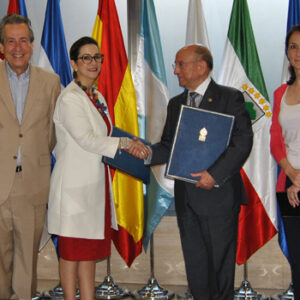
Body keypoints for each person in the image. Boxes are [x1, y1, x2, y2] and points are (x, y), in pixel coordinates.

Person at [132, 45, 253, 300]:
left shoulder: (230, 98)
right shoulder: (176, 104)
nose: (175, 71)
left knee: (220, 269)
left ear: (201, 67)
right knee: (196, 269)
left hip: (218, 199)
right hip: (188, 200)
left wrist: (214, 174)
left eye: (180, 64)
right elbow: (168, 145)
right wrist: (147, 153)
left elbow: (242, 142)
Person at [47, 36, 148, 300]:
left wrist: (132, 143)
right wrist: (126, 143)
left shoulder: (95, 95)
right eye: (86, 58)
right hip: (74, 190)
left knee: (88, 254)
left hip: (94, 188)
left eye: (97, 57)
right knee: (71, 253)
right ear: (73, 63)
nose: (93, 63)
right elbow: (87, 140)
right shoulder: (70, 98)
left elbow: (107, 133)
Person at [0, 14, 61, 299]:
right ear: (2, 46)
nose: (17, 47)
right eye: (10, 41)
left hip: (32, 185)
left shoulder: (51, 83)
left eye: (23, 40)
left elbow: (53, 133)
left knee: (27, 264)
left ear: (32, 44)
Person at [270, 24, 300, 300]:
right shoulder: (280, 93)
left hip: (298, 185)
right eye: (293, 46)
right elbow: (275, 139)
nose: (298, 52)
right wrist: (291, 174)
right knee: (298, 266)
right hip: (288, 187)